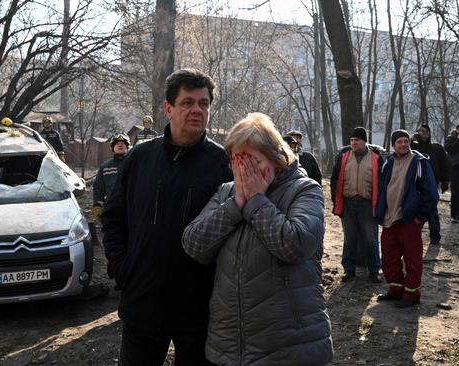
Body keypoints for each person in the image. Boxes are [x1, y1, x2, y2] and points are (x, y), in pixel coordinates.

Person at [101, 68, 232, 366]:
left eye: (204, 103)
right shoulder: (140, 158)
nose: (197, 110)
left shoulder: (222, 164)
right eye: (188, 102)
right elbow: (112, 218)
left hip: (201, 309)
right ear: (168, 108)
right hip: (143, 303)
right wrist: (123, 270)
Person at [182, 112, 333, 366]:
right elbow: (193, 244)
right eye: (239, 162)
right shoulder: (227, 192)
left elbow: (296, 245)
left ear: (276, 158)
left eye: (255, 161)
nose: (246, 172)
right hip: (230, 346)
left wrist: (256, 202)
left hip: (290, 346)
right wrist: (235, 205)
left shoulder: (304, 189)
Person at [375, 130, 439, 308]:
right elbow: (382, 188)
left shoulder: (420, 163)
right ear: (393, 145)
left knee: (412, 259)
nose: (403, 144)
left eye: (406, 141)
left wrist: (420, 217)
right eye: (399, 142)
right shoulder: (388, 163)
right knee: (389, 257)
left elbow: (431, 194)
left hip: (409, 220)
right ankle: (395, 290)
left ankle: (411, 295)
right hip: (389, 219)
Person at [330, 126, 383, 283]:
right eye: (352, 140)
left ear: (364, 141)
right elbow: (334, 178)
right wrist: (335, 198)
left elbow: (382, 182)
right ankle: (349, 270)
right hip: (348, 203)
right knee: (349, 238)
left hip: (367, 204)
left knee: (371, 238)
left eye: (357, 140)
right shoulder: (344, 156)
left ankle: (374, 270)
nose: (353, 143)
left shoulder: (376, 158)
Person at [412, 124, 450, 244]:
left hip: (432, 184)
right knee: (415, 210)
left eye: (426, 131)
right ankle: (415, 235)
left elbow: (445, 165)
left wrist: (445, 181)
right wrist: (412, 140)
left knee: (432, 209)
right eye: (421, 131)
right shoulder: (413, 148)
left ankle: (435, 236)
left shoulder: (437, 148)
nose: (424, 133)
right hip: (416, 184)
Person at [92, 133, 130, 219]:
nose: (120, 145)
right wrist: (97, 205)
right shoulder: (105, 167)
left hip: (132, 209)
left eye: (123, 143)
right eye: (117, 143)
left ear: (127, 147)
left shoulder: (134, 164)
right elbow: (98, 188)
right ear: (112, 147)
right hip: (111, 209)